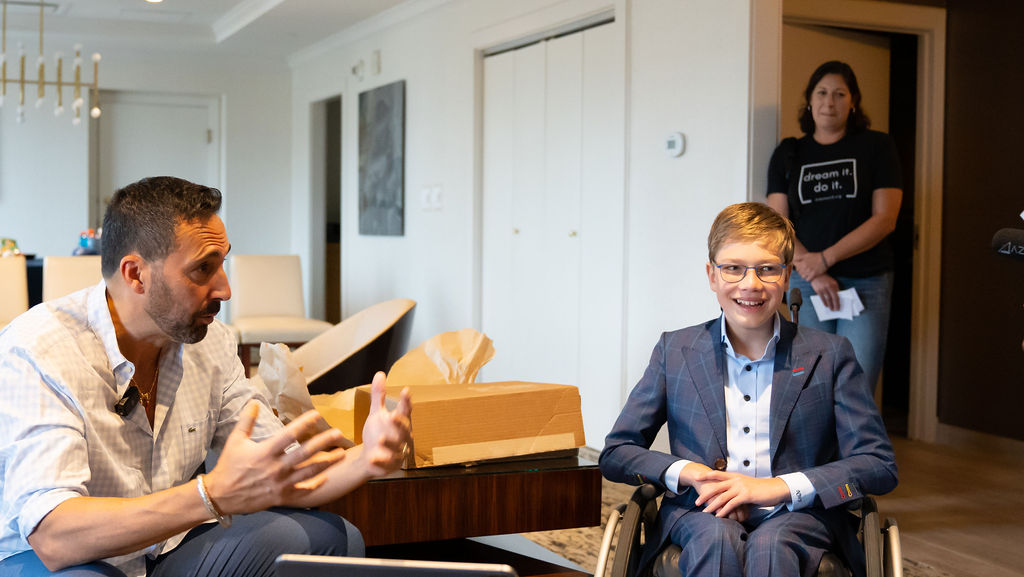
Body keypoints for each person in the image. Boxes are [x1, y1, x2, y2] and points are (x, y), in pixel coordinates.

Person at [0, 176, 413, 577]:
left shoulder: (209, 342)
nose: (225, 290)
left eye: (222, 264)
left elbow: (282, 469)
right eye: (202, 269)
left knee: (330, 539)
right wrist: (210, 494)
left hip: (166, 545)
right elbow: (54, 536)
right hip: (55, 559)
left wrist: (366, 457)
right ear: (135, 274)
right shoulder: (39, 349)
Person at [600, 202, 897, 577]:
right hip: (700, 513)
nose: (750, 284)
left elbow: (878, 465)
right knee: (716, 540)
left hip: (800, 515)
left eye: (767, 269)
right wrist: (690, 473)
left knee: (773, 546)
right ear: (711, 275)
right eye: (733, 268)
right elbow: (617, 453)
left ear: (787, 276)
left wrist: (778, 488)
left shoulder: (831, 355)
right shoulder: (675, 351)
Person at [766, 60, 903, 394]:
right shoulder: (789, 153)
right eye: (822, 92)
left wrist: (825, 259)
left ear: (853, 102)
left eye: (840, 94)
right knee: (811, 383)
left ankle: (854, 434)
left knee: (856, 384)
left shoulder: (877, 147)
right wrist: (813, 270)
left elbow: (885, 218)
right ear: (809, 100)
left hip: (865, 280)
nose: (830, 102)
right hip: (807, 282)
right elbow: (778, 221)